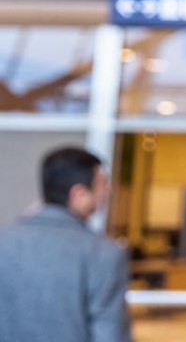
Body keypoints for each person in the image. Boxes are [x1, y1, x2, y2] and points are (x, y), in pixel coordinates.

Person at [0, 146, 131, 342]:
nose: (108, 192)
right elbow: (109, 335)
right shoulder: (103, 253)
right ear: (78, 194)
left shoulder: (5, 241)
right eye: (103, 184)